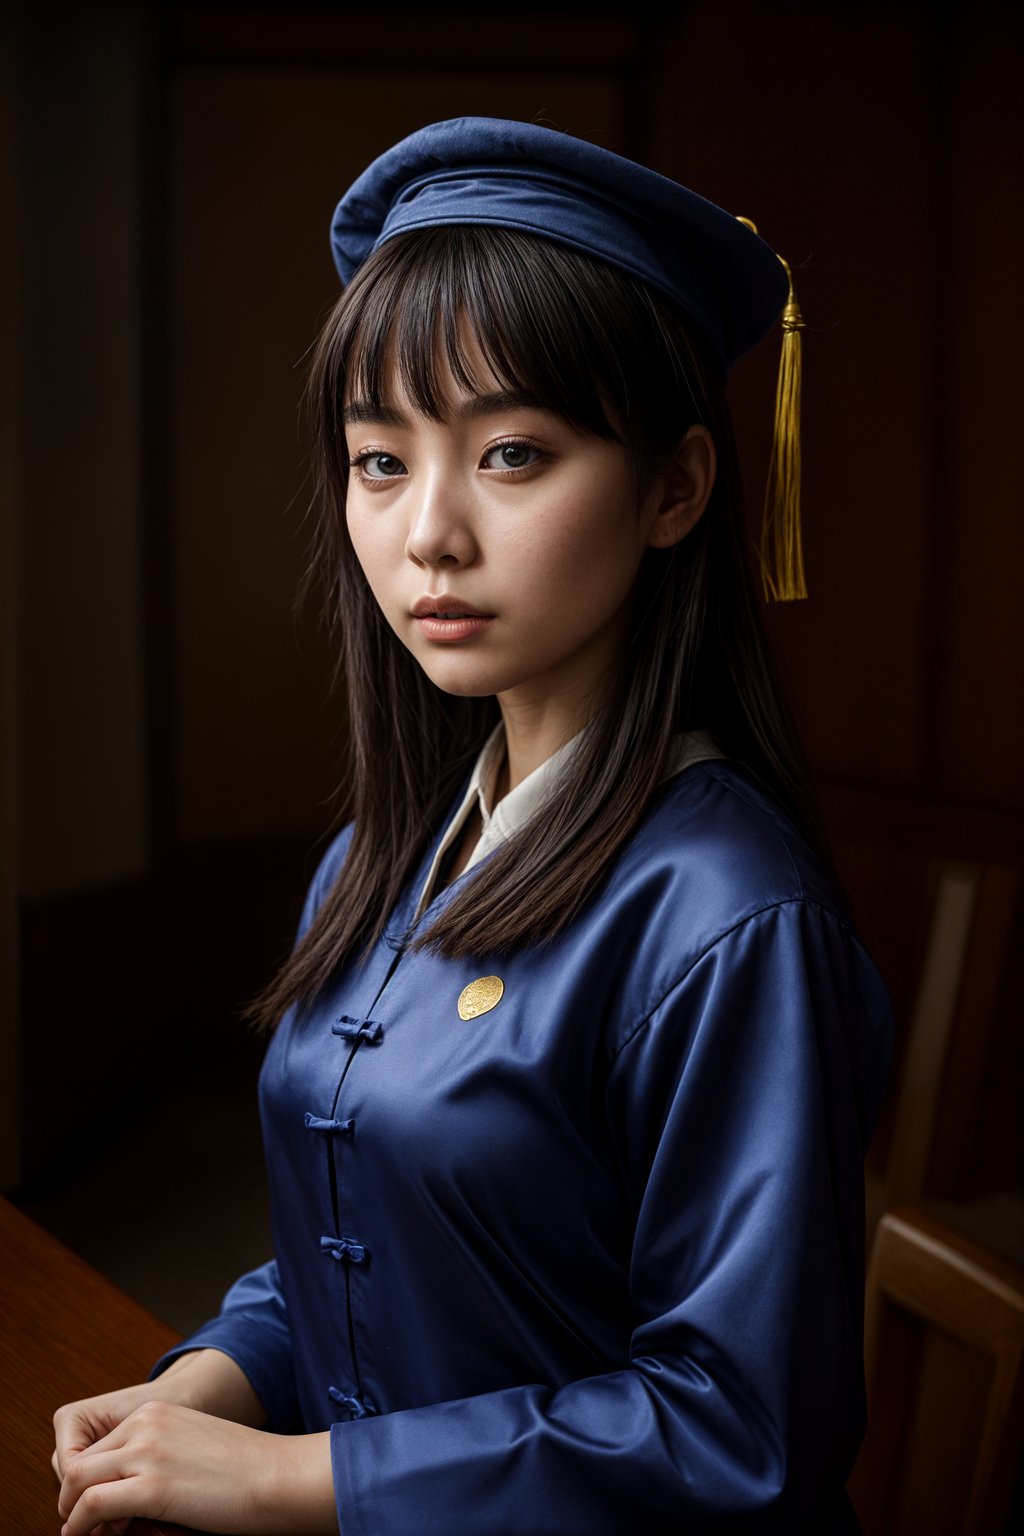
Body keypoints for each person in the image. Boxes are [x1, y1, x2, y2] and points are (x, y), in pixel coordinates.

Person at [51, 116, 892, 1535]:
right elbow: (381, 1236)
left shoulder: (731, 919)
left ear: (676, 486)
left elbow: (740, 1427)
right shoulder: (387, 852)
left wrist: (291, 1480)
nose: (428, 530)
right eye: (380, 460)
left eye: (510, 454)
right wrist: (217, 1379)